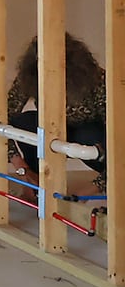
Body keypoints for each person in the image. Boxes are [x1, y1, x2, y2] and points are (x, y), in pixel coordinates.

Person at [6, 32, 107, 189]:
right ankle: (36, 184)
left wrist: (98, 186)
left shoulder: (97, 78)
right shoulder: (31, 75)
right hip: (51, 131)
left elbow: (117, 134)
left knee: (88, 134)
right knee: (25, 122)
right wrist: (22, 168)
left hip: (91, 136)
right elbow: (2, 117)